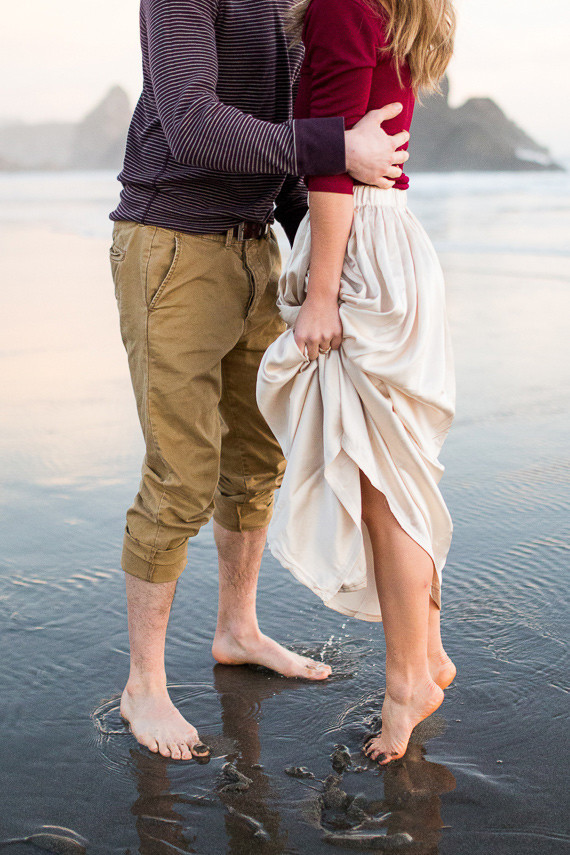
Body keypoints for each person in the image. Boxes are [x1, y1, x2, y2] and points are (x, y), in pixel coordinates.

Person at [108, 0, 410, 761]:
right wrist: (338, 142)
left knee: (256, 460)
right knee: (181, 473)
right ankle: (144, 683)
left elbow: (283, 148)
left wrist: (335, 262)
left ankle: (236, 628)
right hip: (170, 243)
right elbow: (193, 124)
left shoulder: (292, 4)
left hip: (256, 250)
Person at [257, 0, 457, 764]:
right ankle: (428, 651)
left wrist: (319, 294)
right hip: (393, 237)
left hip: (361, 245)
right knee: (395, 472)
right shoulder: (393, 7)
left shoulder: (344, 5)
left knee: (383, 484)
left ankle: (408, 680)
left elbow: (333, 168)